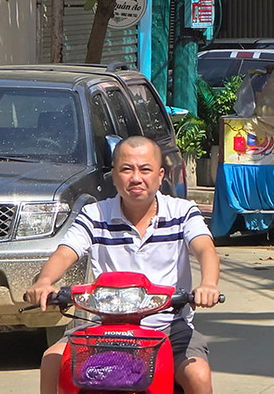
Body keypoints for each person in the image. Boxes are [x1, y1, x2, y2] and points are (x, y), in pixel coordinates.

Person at [26, 136, 222, 394]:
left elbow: (205, 248)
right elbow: (66, 252)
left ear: (160, 175)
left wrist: (208, 284)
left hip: (168, 327)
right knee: (52, 360)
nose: (136, 178)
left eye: (145, 169)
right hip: (103, 326)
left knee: (197, 375)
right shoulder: (95, 215)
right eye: (127, 169)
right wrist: (44, 282)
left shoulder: (183, 212)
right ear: (114, 175)